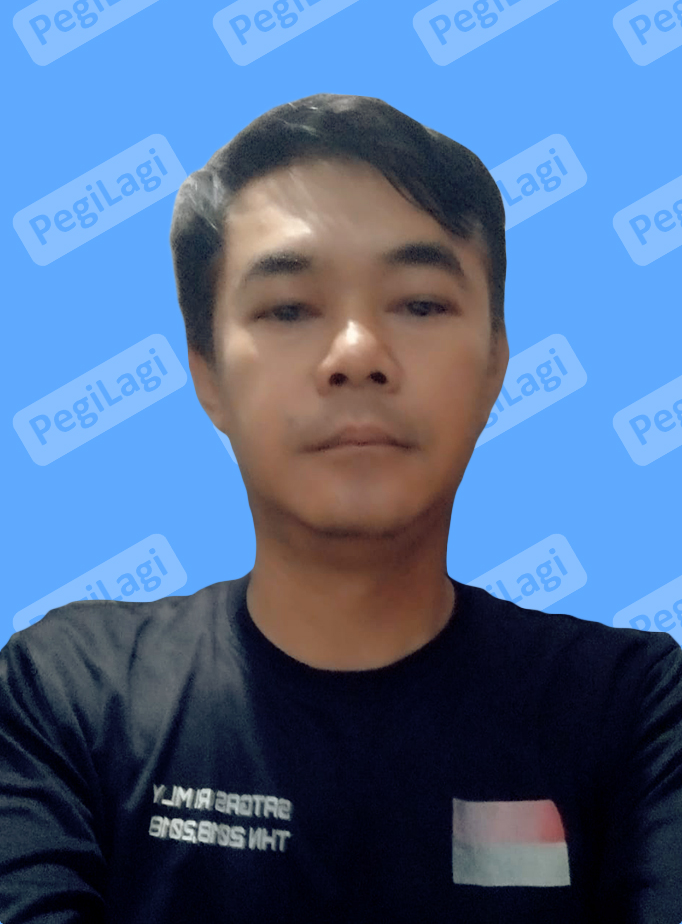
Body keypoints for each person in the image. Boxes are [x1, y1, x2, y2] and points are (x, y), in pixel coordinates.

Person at [0, 94, 681, 924]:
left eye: (420, 304)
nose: (357, 354)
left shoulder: (629, 709)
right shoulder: (71, 696)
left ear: (495, 365)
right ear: (206, 372)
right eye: (289, 309)